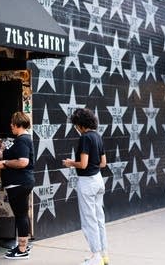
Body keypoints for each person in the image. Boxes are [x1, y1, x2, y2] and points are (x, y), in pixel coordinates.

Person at [62, 108, 108, 265]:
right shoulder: (97, 136)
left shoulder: (85, 138)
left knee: (89, 220)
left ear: (81, 124)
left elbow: (83, 164)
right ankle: (103, 254)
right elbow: (103, 163)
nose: (76, 128)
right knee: (99, 218)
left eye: (76, 125)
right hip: (98, 180)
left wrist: (70, 163)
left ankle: (96, 257)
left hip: (87, 182)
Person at [0, 112, 35, 260]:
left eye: (12, 123)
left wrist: (4, 163)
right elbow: (16, 156)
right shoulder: (23, 139)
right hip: (21, 182)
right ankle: (22, 245)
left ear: (18, 125)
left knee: (21, 215)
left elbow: (23, 162)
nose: (10, 126)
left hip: (19, 183)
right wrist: (2, 154)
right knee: (22, 214)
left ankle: (22, 250)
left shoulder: (22, 140)